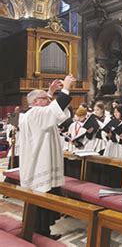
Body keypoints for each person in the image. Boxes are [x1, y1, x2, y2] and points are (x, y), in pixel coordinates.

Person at [19, 75, 75, 239]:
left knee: (42, 203)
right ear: (35, 101)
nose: (49, 100)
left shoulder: (32, 113)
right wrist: (66, 88)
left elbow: (51, 111)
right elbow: (53, 110)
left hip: (36, 163)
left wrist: (49, 93)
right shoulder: (36, 113)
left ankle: (42, 232)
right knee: (42, 203)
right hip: (40, 165)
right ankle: (40, 234)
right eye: (44, 98)